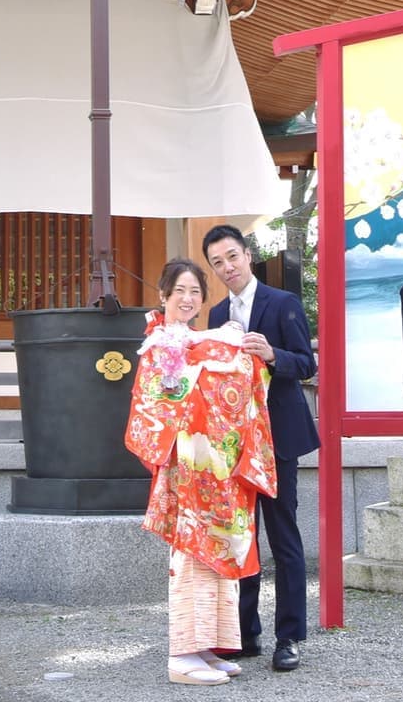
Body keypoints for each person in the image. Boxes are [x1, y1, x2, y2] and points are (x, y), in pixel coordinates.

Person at [125, 257, 277, 686]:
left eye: (195, 292)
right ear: (163, 296)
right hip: (187, 470)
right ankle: (181, 654)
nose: (188, 300)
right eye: (179, 292)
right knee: (191, 559)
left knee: (218, 555)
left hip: (215, 467)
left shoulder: (200, 340)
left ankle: (208, 646)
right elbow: (155, 405)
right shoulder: (159, 345)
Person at [202, 223, 318, 673]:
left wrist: (272, 354)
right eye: (217, 262)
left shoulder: (282, 302)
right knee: (239, 536)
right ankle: (243, 634)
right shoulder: (216, 316)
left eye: (232, 257)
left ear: (247, 254)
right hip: (234, 443)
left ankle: (288, 637)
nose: (227, 267)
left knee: (283, 536)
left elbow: (305, 363)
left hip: (277, 439)